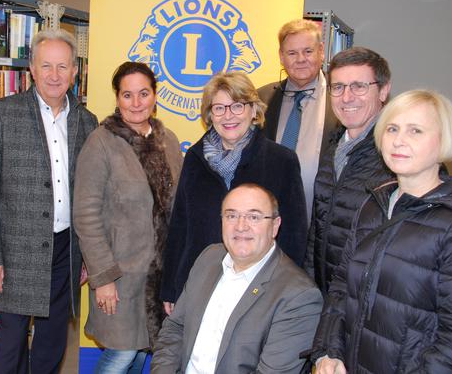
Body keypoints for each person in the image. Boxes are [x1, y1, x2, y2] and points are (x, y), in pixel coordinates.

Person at [312, 90, 452, 373]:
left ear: (444, 141)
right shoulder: (372, 204)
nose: (399, 140)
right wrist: (328, 351)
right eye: (392, 128)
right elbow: (342, 287)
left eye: (415, 130)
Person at [0, 28, 98, 374]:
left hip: (65, 250)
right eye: (46, 66)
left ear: (75, 71)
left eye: (63, 67)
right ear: (31, 68)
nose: (54, 75)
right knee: (12, 340)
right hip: (15, 251)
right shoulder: (3, 114)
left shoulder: (87, 122)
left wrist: (87, 254)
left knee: (52, 338)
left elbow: (90, 194)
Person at [161, 72, 307, 313]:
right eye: (219, 108)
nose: (228, 116)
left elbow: (294, 235)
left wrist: (287, 292)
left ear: (253, 111)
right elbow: (180, 226)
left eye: (237, 106)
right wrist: (170, 287)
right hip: (199, 283)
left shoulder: (281, 161)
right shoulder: (195, 160)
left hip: (259, 288)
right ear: (209, 115)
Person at [73, 62, 183, 373]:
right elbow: (86, 214)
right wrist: (104, 278)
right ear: (117, 98)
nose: (136, 103)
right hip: (120, 277)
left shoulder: (169, 141)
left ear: (155, 96)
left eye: (143, 93)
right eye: (127, 94)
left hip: (160, 276)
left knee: (138, 355)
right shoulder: (101, 143)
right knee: (121, 354)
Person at [152, 184, 322, 374]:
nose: (241, 226)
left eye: (254, 217)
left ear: (274, 226)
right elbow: (175, 328)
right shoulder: (209, 258)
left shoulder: (299, 296)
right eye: (231, 215)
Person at [304, 47, 394, 294]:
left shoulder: (396, 158)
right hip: (326, 295)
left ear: (383, 90)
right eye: (338, 87)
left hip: (366, 300)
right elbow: (317, 231)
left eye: (358, 86)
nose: (346, 97)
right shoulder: (332, 149)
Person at [258, 19, 339, 220]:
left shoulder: (341, 98)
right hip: (267, 220)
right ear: (281, 57)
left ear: (321, 51)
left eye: (308, 51)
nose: (300, 59)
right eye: (292, 53)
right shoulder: (261, 98)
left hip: (321, 220)